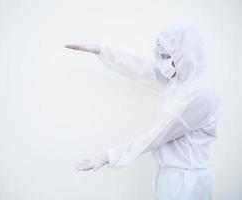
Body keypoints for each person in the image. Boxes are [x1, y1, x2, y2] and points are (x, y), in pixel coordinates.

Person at [65, 26, 222, 200]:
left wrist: (109, 157)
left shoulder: (199, 96)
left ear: (184, 56)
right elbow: (145, 69)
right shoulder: (179, 83)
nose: (162, 62)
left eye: (166, 56)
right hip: (172, 178)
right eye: (161, 56)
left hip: (185, 182)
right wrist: (103, 51)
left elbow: (156, 135)